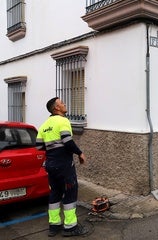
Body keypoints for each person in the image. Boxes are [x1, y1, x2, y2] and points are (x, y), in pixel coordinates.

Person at [36, 97, 88, 237]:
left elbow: (39, 146)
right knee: (70, 192)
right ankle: (70, 227)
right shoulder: (63, 121)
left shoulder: (44, 125)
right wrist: (80, 153)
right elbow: (67, 141)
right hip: (64, 165)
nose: (65, 104)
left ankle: (54, 226)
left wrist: (52, 147)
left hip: (51, 166)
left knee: (55, 194)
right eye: (62, 103)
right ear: (56, 108)